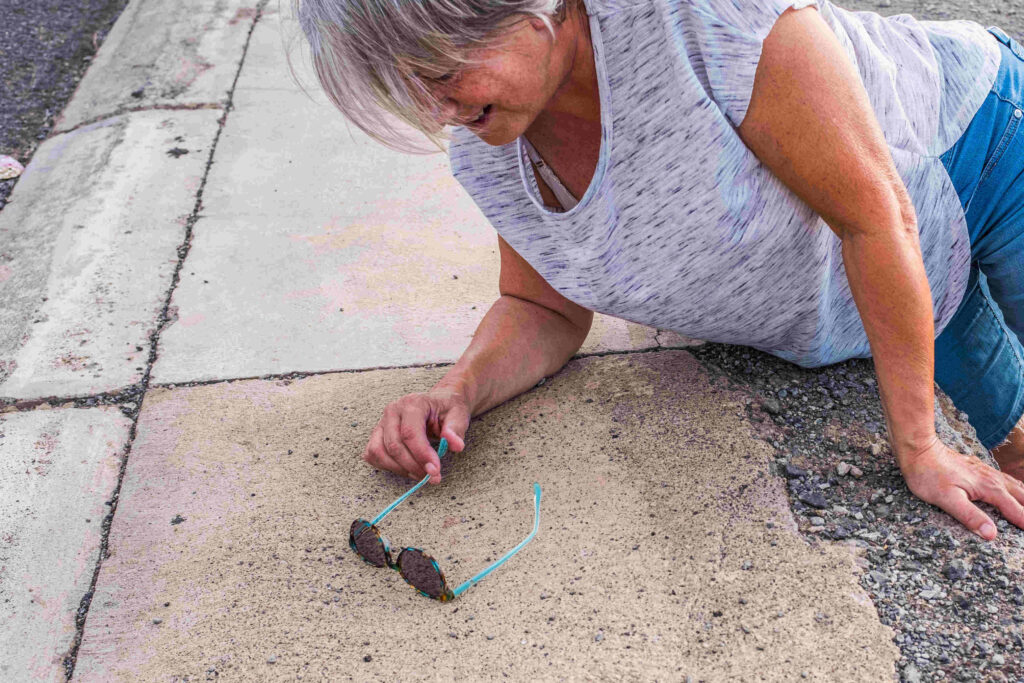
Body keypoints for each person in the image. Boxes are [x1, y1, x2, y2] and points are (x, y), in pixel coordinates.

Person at [296, 0, 1024, 540]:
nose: (437, 108)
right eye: (408, 83)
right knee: (1011, 461)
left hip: (984, 149)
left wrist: (920, 446)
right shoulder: (490, 143)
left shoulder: (695, 16)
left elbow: (874, 214)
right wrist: (455, 389)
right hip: (895, 271)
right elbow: (542, 308)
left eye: (445, 70)